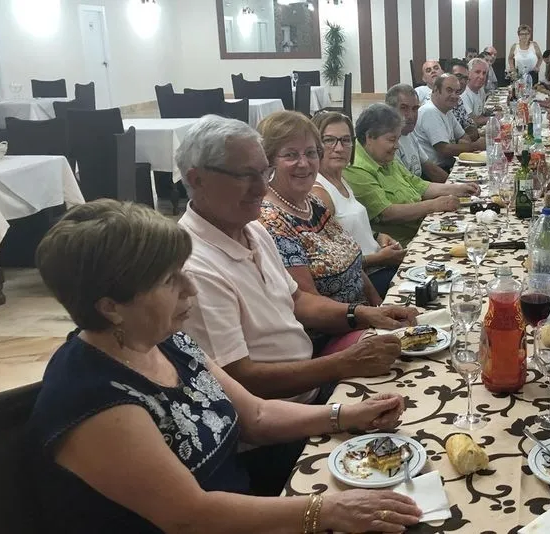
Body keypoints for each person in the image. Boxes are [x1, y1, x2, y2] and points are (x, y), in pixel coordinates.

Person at [28, 199, 422, 531]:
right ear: (111, 308)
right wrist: (327, 511)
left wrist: (349, 414)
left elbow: (257, 414)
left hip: (247, 504)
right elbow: (189, 516)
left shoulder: (165, 340)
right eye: (169, 281)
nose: (190, 288)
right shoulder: (92, 398)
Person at [174, 115, 416, 408]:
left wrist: (365, 314)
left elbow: (298, 300)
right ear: (197, 179)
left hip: (312, 380)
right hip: (284, 414)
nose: (261, 189)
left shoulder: (251, 228)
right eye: (244, 176)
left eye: (263, 173)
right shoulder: (194, 266)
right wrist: (343, 364)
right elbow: (241, 378)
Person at [254, 111, 381, 307]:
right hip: (334, 330)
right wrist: (369, 318)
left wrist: (379, 304)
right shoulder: (271, 221)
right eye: (291, 155)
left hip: (362, 315)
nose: (304, 163)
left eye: (311, 153)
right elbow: (310, 307)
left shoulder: (312, 202)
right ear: (268, 161)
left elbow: (353, 265)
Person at [344, 103, 479, 245]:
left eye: (397, 139)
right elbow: (387, 213)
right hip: (403, 244)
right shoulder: (356, 167)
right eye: (392, 139)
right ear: (369, 137)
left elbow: (416, 184)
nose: (397, 145)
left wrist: (457, 188)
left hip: (421, 229)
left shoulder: (381, 155)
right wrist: (433, 205)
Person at [307, 112, 405, 299]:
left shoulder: (341, 179)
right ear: (314, 146)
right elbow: (332, 265)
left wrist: (377, 236)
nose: (339, 148)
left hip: (379, 265)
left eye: (345, 140)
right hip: (366, 280)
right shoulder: (319, 193)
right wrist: (381, 258)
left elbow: (350, 230)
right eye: (329, 140)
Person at [412, 74, 485, 172]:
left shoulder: (447, 110)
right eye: (449, 90)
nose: (454, 96)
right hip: (437, 172)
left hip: (450, 165)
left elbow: (464, 137)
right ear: (436, 90)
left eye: (457, 92)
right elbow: (444, 150)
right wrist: (475, 146)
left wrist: (463, 145)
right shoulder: (429, 111)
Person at [385, 84, 449, 184]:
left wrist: (455, 185)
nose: (411, 116)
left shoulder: (410, 134)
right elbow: (405, 185)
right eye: (404, 108)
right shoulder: (388, 143)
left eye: (415, 109)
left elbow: (431, 169)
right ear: (389, 110)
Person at [448, 60, 481, 141]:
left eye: (465, 78)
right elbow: (445, 148)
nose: (462, 81)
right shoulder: (435, 105)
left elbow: (471, 126)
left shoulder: (458, 100)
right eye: (458, 76)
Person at [461, 58, 489, 122]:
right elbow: (472, 121)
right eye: (477, 72)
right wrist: (494, 119)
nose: (481, 76)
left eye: (484, 73)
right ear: (468, 73)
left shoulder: (480, 89)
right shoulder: (464, 93)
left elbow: (480, 114)